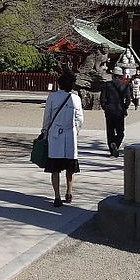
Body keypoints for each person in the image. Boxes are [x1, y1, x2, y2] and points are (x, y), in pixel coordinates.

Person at [42, 70, 84, 206]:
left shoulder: (52, 97)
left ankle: (57, 196)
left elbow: (47, 117)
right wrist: (75, 131)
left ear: (59, 84)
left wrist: (45, 131)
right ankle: (69, 191)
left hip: (55, 136)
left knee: (55, 169)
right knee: (70, 168)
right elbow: (80, 119)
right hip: (70, 136)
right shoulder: (76, 99)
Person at [99, 65, 131, 156]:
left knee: (110, 131)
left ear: (113, 75)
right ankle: (116, 144)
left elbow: (102, 98)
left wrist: (105, 107)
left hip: (109, 110)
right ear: (120, 76)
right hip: (120, 110)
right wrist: (125, 107)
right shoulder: (125, 85)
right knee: (120, 131)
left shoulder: (107, 85)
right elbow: (128, 99)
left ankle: (112, 147)